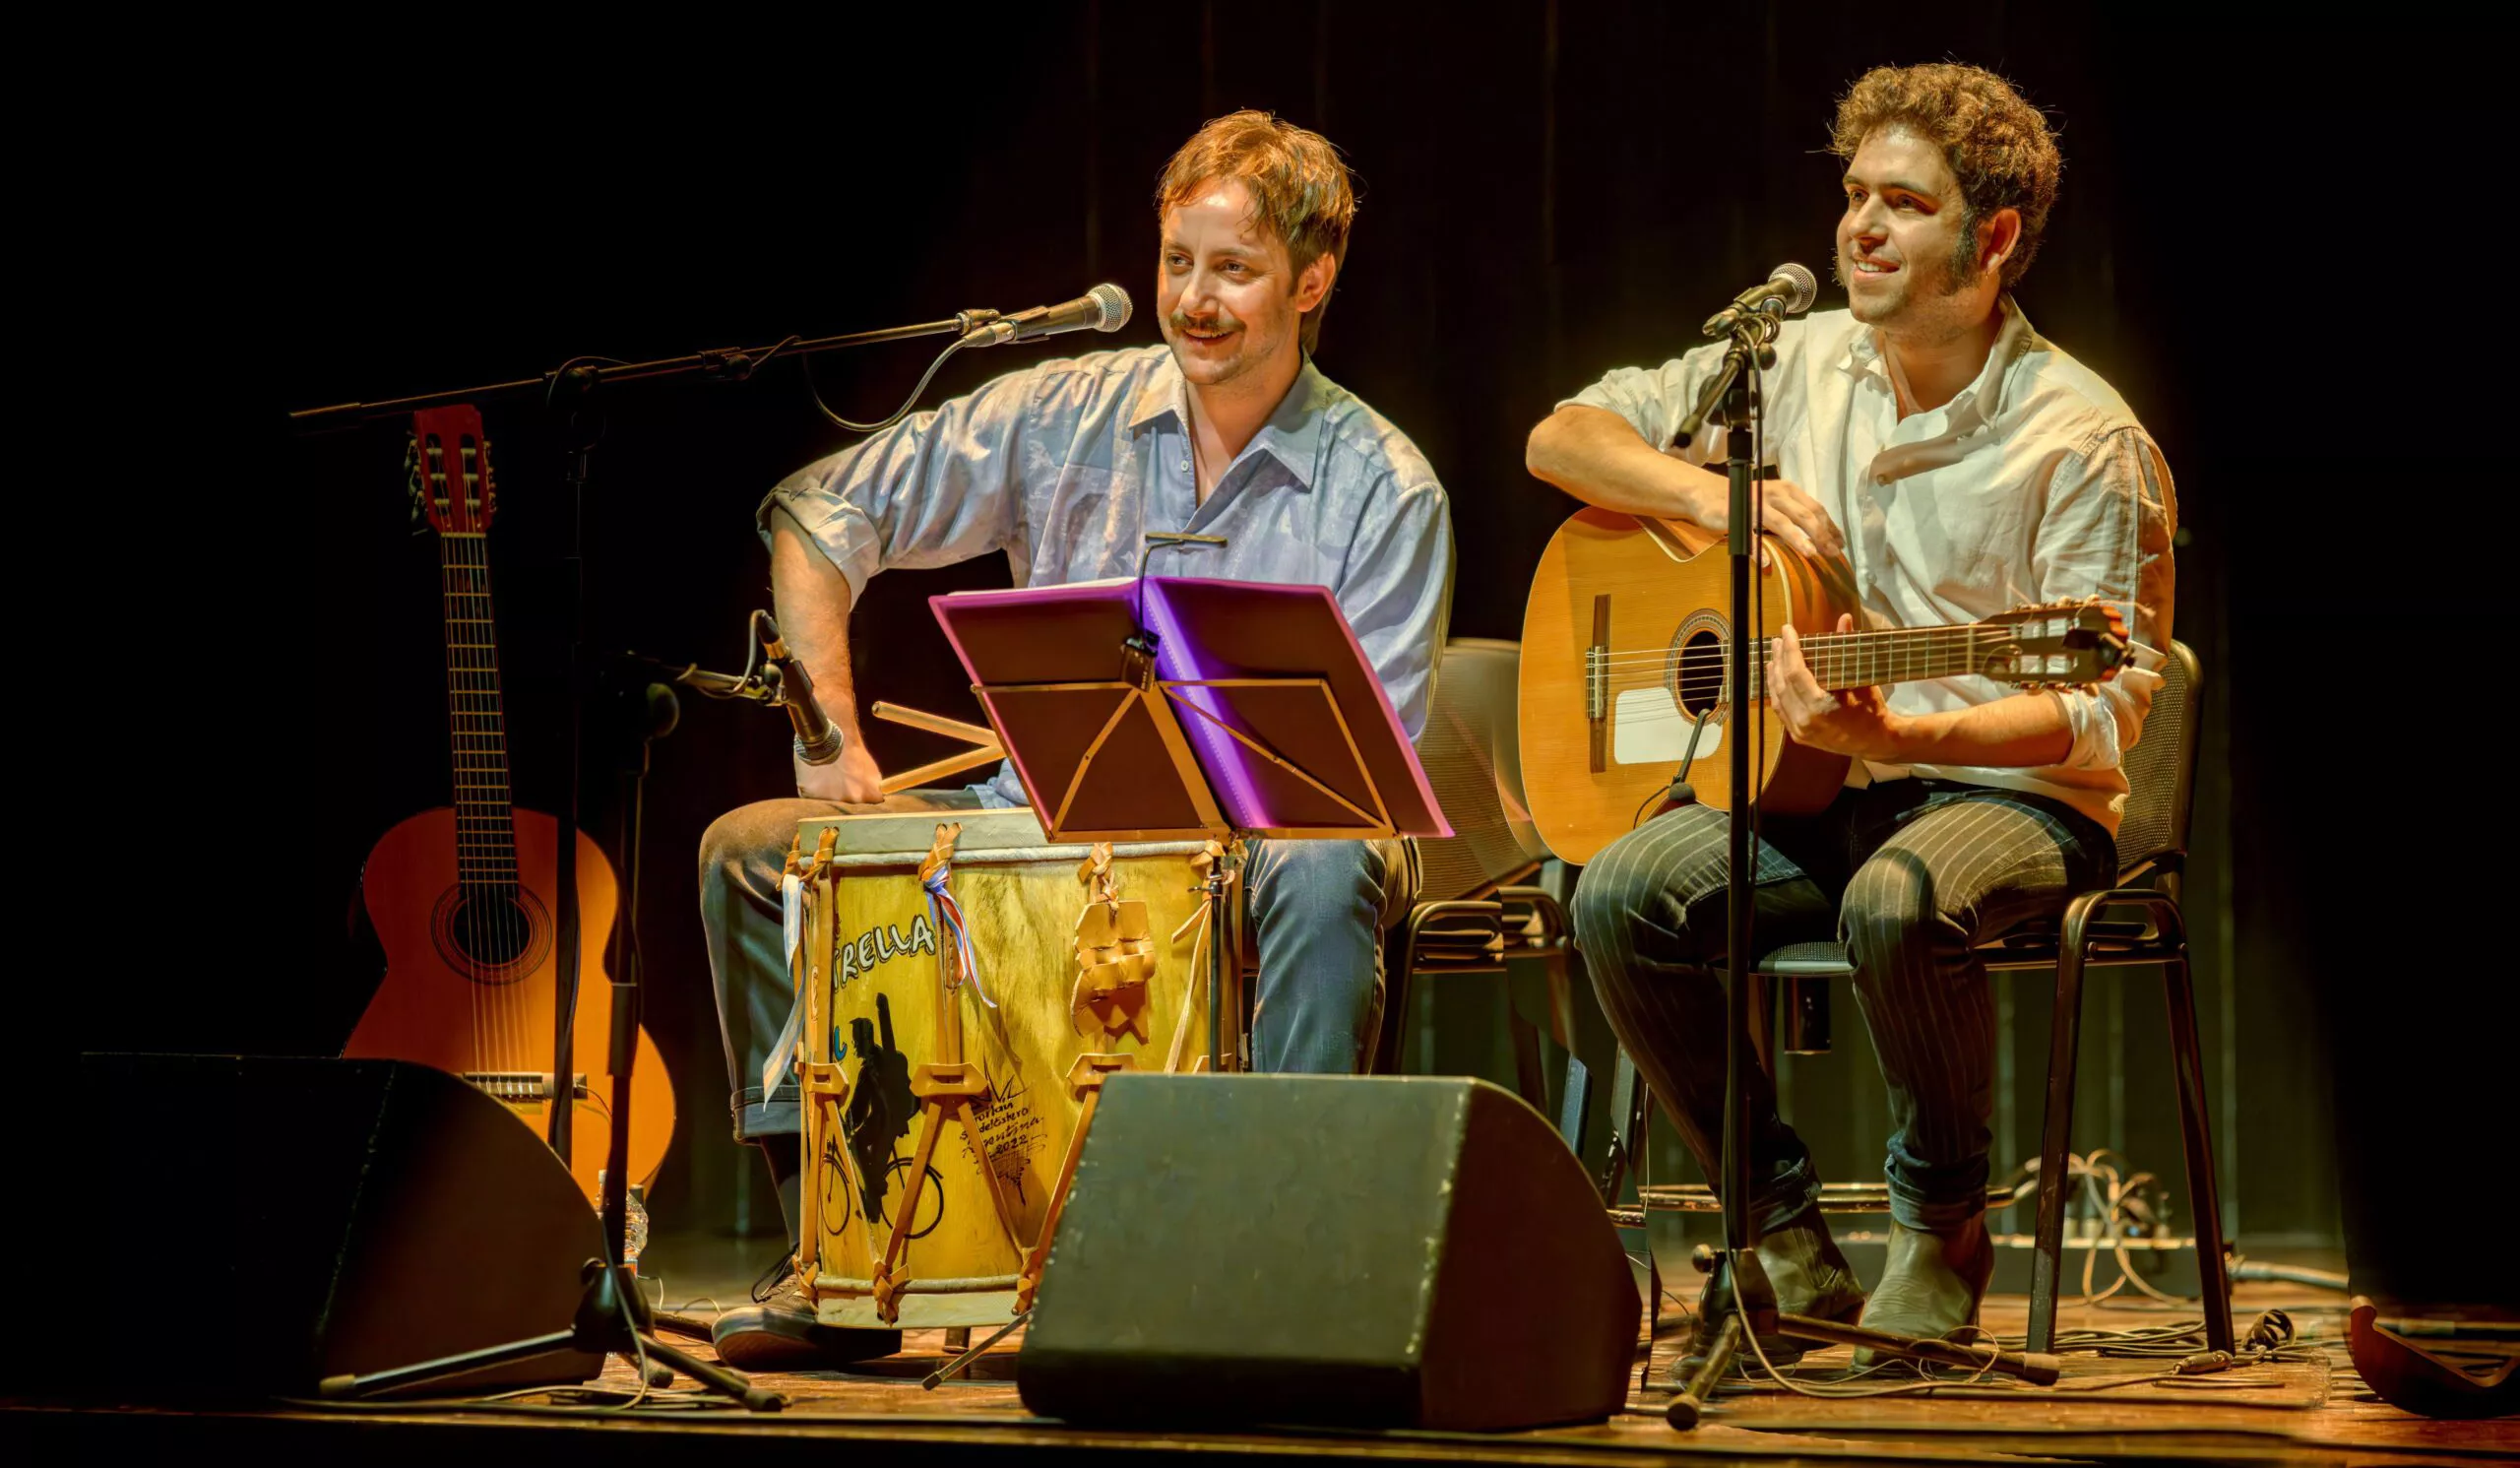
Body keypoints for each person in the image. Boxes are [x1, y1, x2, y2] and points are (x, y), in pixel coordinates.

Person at [705, 110, 1454, 1368]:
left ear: (1312, 280)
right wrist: (825, 734)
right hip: (1042, 809)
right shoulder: (1062, 408)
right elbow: (819, 510)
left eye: (1233, 269)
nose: (1192, 300)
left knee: (1328, 868)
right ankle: (837, 1249)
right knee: (754, 850)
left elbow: (1353, 784)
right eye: (1177, 262)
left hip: (1274, 831)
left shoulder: (1384, 482)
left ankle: (1281, 1259)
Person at [1525, 62, 2174, 1361]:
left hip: (2012, 800)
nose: (1859, 227)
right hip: (1818, 788)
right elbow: (1562, 435)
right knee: (1616, 893)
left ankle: (1941, 1226)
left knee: (1897, 896)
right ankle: (1778, 1232)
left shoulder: (2082, 436)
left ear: (1992, 240)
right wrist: (1718, 500)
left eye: (1904, 203)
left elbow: (2097, 712)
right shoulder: (1795, 361)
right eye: (1853, 194)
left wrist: (1902, 734)